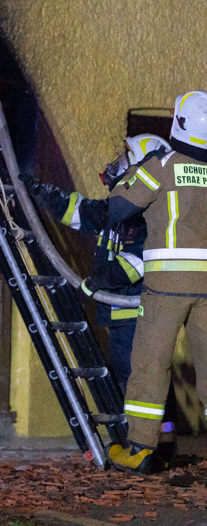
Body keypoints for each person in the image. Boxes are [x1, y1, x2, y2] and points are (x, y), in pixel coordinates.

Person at [107, 91, 207, 474]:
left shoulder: (162, 166)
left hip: (166, 287)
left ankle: (141, 448)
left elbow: (119, 207)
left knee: (149, 363)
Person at [23, 134, 170, 391]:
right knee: (130, 379)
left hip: (138, 318)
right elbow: (83, 213)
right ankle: (141, 429)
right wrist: (43, 193)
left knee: (138, 381)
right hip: (121, 317)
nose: (118, 165)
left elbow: (137, 263)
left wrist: (98, 281)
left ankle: (153, 431)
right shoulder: (121, 210)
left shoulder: (149, 217)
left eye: (126, 160)